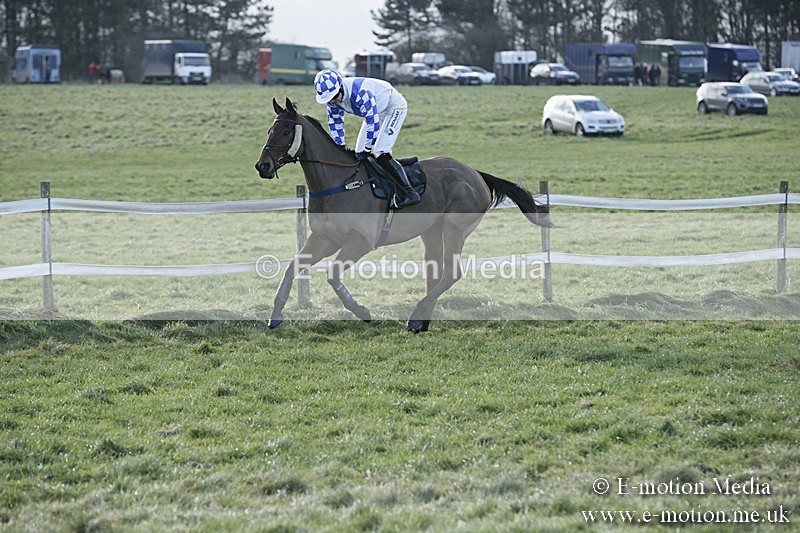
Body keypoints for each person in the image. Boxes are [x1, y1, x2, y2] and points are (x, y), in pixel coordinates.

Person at [313, 68, 420, 208]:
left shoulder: (361, 93)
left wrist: (368, 148)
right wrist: (339, 147)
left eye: (333, 97)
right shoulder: (332, 101)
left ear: (340, 86)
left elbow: (373, 124)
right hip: (375, 112)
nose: (332, 102)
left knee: (379, 152)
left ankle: (409, 192)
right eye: (328, 99)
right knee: (358, 154)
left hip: (393, 107)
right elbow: (336, 125)